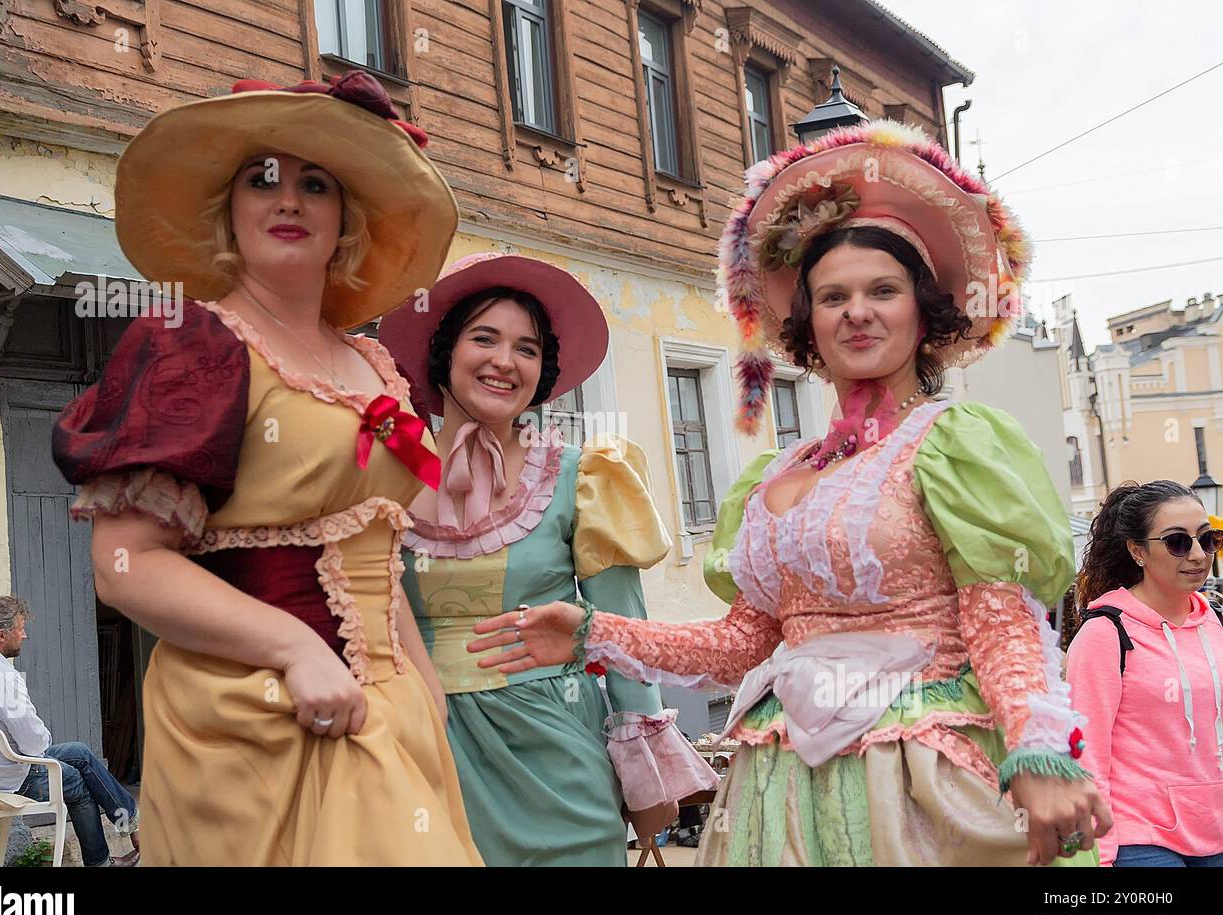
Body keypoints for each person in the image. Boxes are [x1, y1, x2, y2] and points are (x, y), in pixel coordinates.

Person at [468, 120, 1111, 866]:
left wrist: (1037, 751)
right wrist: (591, 633)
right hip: (784, 785)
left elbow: (1002, 625)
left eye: (883, 291)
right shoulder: (775, 477)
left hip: (918, 777)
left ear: (923, 310)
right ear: (808, 322)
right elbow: (741, 645)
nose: (857, 312)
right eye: (833, 296)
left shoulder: (956, 443)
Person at [51, 71, 481, 865]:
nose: (288, 201)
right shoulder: (193, 343)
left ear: (345, 220)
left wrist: (428, 693)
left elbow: (381, 554)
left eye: (315, 185)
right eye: (264, 181)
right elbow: (125, 564)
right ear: (231, 211)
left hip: (393, 715)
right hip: (257, 716)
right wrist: (296, 648)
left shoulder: (372, 363)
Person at [382, 252, 717, 865]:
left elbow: (622, 631)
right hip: (418, 743)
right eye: (484, 338)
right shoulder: (382, 474)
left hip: (556, 748)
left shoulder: (584, 475)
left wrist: (647, 774)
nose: (504, 362)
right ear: (444, 352)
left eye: (527, 348)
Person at [1068, 481, 1223, 866]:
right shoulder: (1105, 633)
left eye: (1208, 539)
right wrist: (1099, 856)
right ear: (1137, 551)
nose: (1199, 554)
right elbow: (1085, 752)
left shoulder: (1215, 624)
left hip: (1215, 830)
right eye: (1177, 542)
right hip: (1140, 838)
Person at [0, 596, 139, 867]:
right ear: (1, 635)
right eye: (20, 628)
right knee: (77, 783)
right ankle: (102, 862)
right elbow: (35, 745)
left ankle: (131, 823)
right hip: (11, 780)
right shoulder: (3, 676)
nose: (24, 635)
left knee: (81, 753)